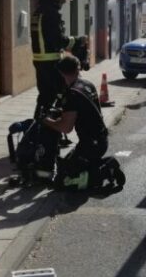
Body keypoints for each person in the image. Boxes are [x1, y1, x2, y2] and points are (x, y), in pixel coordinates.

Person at [42, 55, 108, 190]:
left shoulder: (71, 94)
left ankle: (94, 178)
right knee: (66, 163)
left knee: (61, 181)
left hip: (91, 146)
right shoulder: (87, 84)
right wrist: (62, 112)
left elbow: (66, 128)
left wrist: (47, 121)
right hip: (101, 140)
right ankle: (93, 168)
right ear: (78, 69)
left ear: (61, 73)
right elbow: (86, 110)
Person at [30, 0, 79, 120]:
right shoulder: (52, 14)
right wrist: (75, 41)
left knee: (45, 96)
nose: (63, 2)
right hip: (51, 62)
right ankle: (54, 129)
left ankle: (38, 128)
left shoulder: (39, 11)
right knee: (62, 94)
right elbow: (57, 40)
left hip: (40, 61)